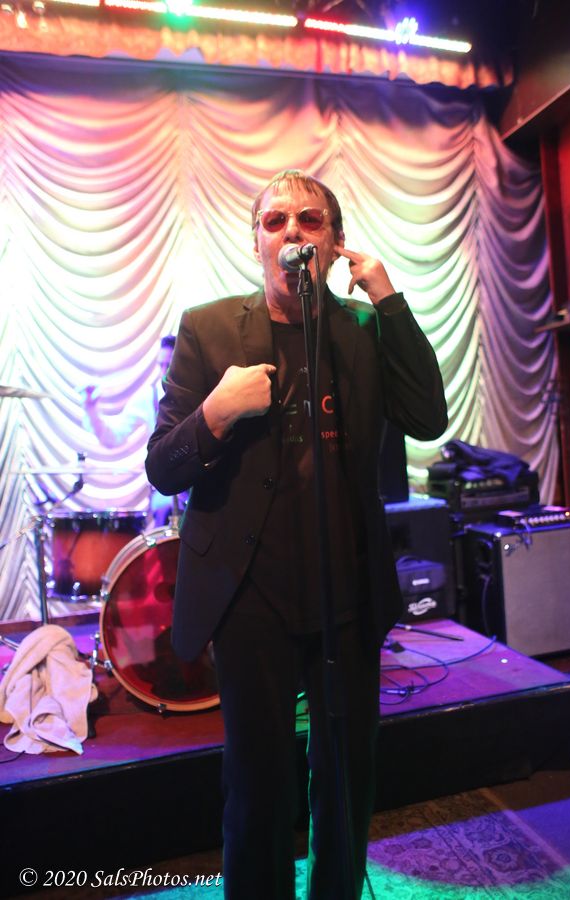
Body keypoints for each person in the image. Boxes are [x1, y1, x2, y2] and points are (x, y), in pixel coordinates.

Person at [145, 170, 447, 899]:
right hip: (248, 595)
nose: (292, 233)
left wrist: (387, 297)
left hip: (347, 589)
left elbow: (428, 417)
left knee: (347, 774)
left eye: (311, 221)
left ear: (334, 243)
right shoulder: (210, 328)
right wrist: (216, 413)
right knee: (257, 783)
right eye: (275, 220)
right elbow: (162, 468)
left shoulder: (364, 328)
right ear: (255, 241)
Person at [83, 335, 181, 525]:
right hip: (167, 492)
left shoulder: (198, 393)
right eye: (160, 365)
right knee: (163, 507)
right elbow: (113, 437)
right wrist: (92, 410)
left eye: (169, 365)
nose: (163, 372)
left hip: (198, 488)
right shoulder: (148, 397)